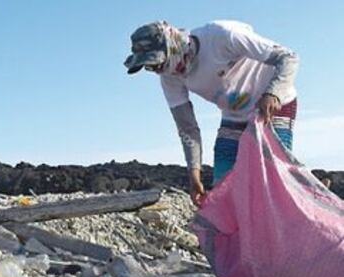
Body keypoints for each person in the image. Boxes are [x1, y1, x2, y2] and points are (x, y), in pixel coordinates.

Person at [124, 21, 299, 205]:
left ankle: (306, 205)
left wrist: (273, 93)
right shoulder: (169, 77)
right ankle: (240, 231)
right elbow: (187, 128)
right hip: (234, 116)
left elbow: (288, 57)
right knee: (223, 185)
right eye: (150, 67)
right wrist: (194, 172)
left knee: (274, 177)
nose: (157, 70)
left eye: (157, 63)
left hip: (275, 104)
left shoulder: (222, 37)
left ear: (173, 46)